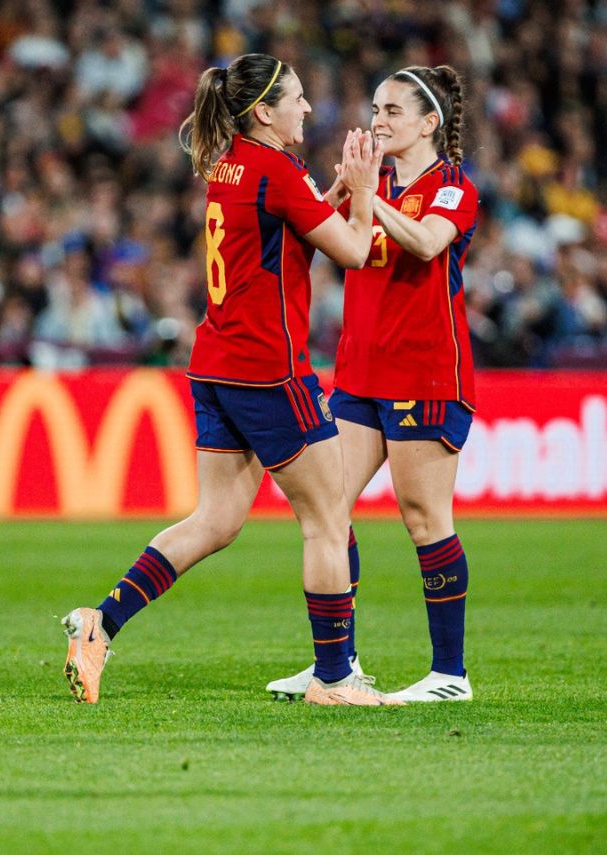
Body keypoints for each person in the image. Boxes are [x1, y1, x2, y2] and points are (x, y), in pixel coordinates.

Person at [61, 53, 403, 707]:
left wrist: (329, 198)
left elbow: (282, 234)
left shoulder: (230, 164)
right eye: (297, 98)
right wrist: (363, 192)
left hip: (216, 362)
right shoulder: (276, 170)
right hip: (269, 370)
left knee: (215, 520)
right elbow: (356, 252)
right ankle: (334, 677)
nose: (307, 108)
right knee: (328, 518)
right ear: (264, 111)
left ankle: (100, 622)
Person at [265, 66, 479, 703]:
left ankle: (449, 675)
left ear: (428, 123)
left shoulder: (453, 188)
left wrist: (369, 196)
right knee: (327, 506)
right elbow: (322, 231)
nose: (378, 120)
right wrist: (342, 190)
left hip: (426, 371)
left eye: (391, 110)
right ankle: (339, 664)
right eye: (375, 108)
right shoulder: (374, 180)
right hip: (359, 372)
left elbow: (425, 243)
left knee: (422, 516)